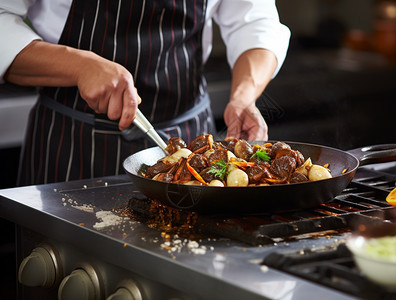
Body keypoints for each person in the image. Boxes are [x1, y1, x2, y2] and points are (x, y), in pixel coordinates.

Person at [0, 0, 290, 186]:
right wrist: (79, 66)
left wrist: (244, 96)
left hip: (192, 142)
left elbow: (255, 22)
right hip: (70, 146)